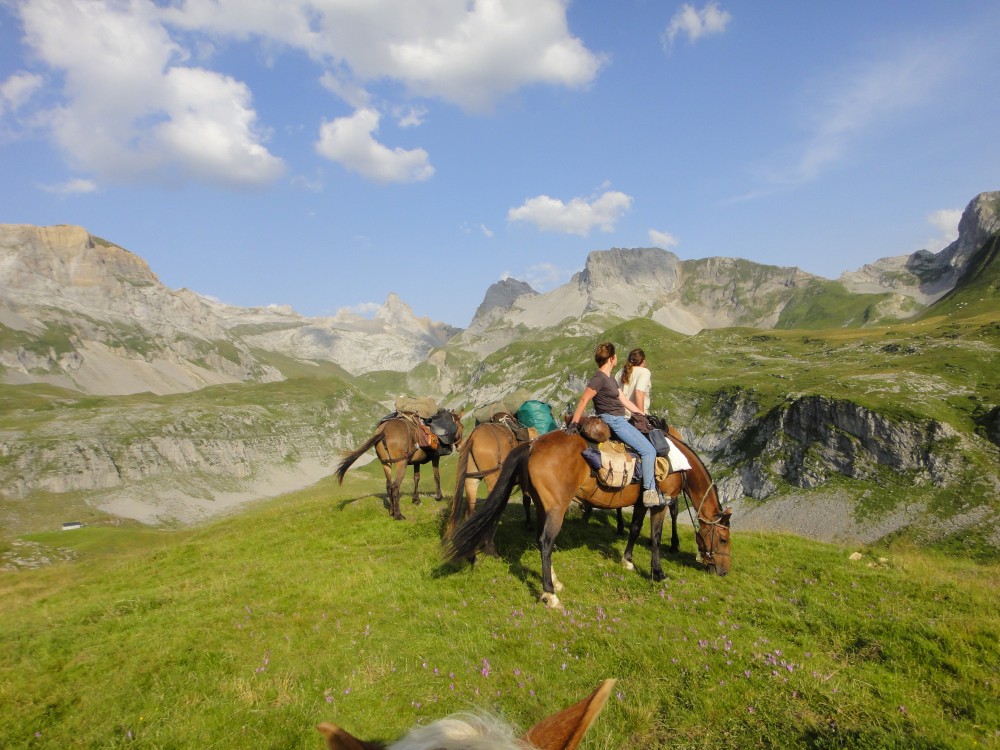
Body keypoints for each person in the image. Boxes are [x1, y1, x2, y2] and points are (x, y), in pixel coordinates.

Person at [570, 342, 664, 508]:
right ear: (612, 359)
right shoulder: (599, 378)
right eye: (616, 357)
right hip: (614, 421)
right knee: (648, 450)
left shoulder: (611, 380)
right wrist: (574, 422)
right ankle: (650, 493)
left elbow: (625, 400)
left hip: (617, 419)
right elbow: (584, 399)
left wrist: (644, 416)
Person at [616, 348, 651, 415]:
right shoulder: (644, 372)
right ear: (643, 361)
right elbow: (639, 392)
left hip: (620, 415)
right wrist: (641, 417)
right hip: (634, 416)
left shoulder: (620, 372)